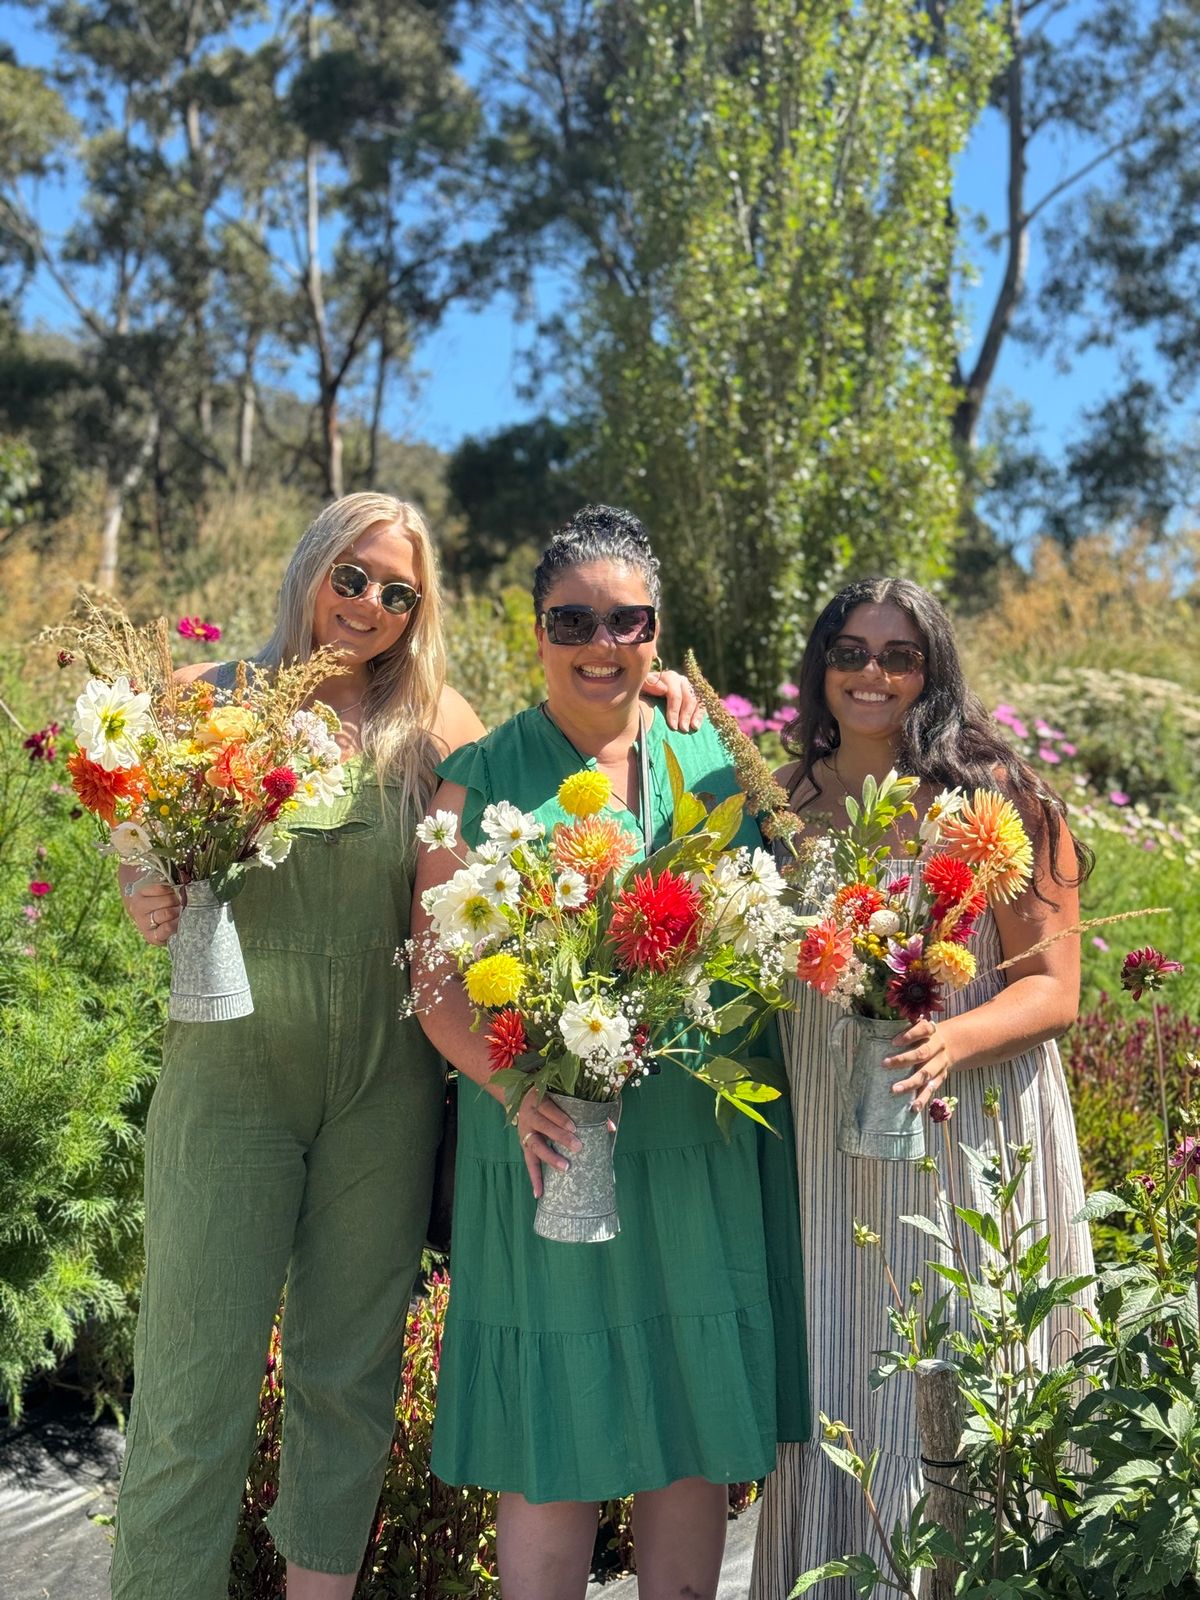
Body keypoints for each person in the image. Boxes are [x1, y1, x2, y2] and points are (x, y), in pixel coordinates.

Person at [109, 491, 703, 1600]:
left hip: (383, 1096)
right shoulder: (205, 700)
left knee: (348, 1385)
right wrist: (145, 880)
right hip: (230, 1088)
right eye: (352, 577)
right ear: (309, 568)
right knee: (194, 1384)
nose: (369, 606)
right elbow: (125, 813)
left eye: (398, 592)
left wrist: (658, 690)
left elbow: (552, 746)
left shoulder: (437, 723)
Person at [411, 504, 808, 1600]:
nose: (601, 643)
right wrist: (510, 1088)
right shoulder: (483, 773)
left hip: (693, 1142)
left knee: (684, 1427)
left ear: (655, 630)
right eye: (572, 618)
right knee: (558, 1428)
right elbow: (433, 983)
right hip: (546, 1140)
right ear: (536, 628)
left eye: (626, 620)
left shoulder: (712, 752)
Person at [749, 577, 1096, 1600]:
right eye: (849, 651)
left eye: (899, 656)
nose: (871, 674)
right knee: (844, 1369)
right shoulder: (777, 802)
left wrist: (949, 1040)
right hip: (825, 1136)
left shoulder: (1007, 800)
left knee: (961, 1361)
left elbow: (1055, 987)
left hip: (967, 1122)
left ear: (934, 670)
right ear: (820, 665)